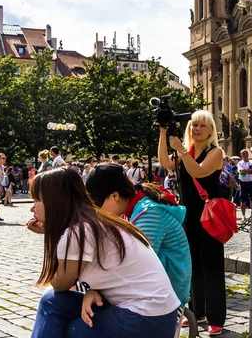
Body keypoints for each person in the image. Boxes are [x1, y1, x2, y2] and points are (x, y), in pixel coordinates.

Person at [27, 167, 179, 338]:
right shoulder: (95, 221)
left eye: (36, 201)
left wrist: (51, 233)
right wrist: (94, 291)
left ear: (53, 202)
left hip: (143, 319)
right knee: (52, 302)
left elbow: (60, 284)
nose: (32, 209)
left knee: (72, 329)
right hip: (160, 315)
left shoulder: (78, 232)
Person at [85, 163, 191, 313]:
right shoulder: (136, 206)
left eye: (98, 205)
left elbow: (133, 264)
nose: (97, 212)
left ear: (115, 196)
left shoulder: (148, 213)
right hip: (155, 288)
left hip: (165, 296)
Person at [158, 110, 226, 336]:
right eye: (193, 125)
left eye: (201, 126)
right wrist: (163, 132)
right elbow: (165, 162)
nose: (196, 129)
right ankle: (197, 312)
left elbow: (199, 170)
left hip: (210, 217)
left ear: (210, 130)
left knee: (212, 267)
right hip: (190, 215)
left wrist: (180, 149)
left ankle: (216, 317)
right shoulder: (187, 151)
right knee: (193, 265)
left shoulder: (215, 152)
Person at [237, 149, 252, 220]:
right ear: (241, 155)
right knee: (243, 200)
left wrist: (247, 171)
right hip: (243, 183)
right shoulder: (240, 163)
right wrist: (250, 171)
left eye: (246, 153)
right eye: (244, 154)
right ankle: (243, 215)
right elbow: (242, 172)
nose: (245, 155)